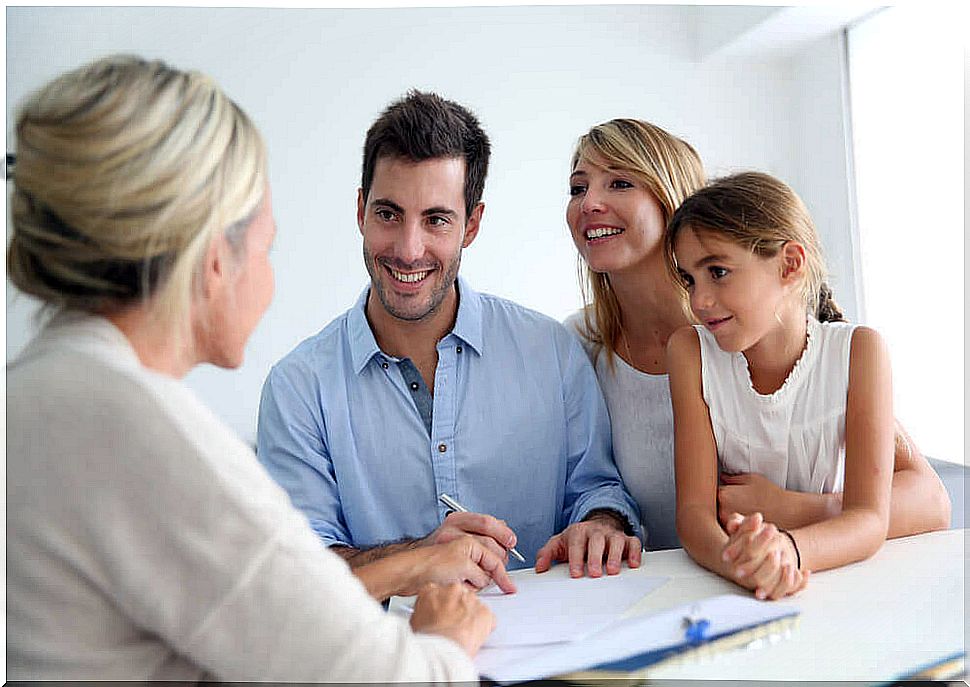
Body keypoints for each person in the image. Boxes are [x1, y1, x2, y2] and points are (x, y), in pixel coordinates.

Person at [6, 55, 497, 681]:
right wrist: (446, 644)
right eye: (268, 246)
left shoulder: (43, 390)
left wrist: (414, 562)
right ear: (215, 258)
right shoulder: (139, 432)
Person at [256, 91, 643, 581]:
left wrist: (600, 524)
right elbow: (297, 569)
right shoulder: (297, 389)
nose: (408, 249)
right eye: (388, 214)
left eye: (436, 219)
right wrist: (420, 556)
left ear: (472, 225)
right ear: (360, 211)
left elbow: (598, 491)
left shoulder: (553, 352)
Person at [563, 119, 949, 551]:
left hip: (775, 580)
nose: (589, 203)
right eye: (578, 188)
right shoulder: (578, 344)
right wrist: (601, 520)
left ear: (672, 200)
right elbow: (580, 485)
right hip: (662, 588)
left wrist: (802, 510)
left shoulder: (756, 334)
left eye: (618, 182)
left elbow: (930, 499)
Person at [664, 171, 894, 599]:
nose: (699, 301)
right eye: (690, 280)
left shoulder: (860, 352)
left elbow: (868, 519)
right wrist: (742, 566)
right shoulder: (689, 352)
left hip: (833, 583)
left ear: (789, 264)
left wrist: (786, 552)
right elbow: (694, 516)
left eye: (718, 271)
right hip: (740, 588)